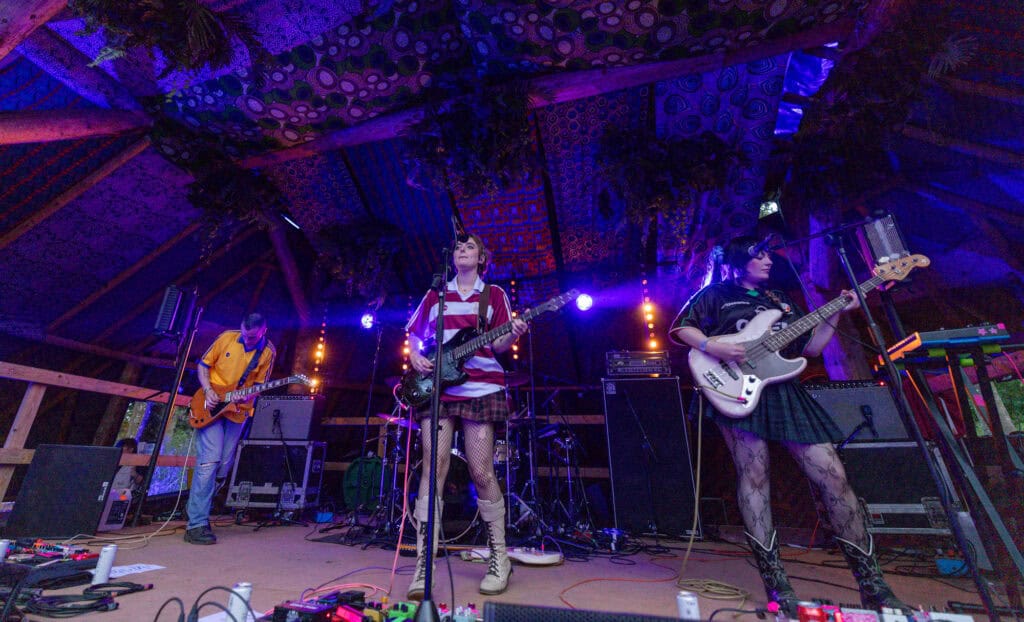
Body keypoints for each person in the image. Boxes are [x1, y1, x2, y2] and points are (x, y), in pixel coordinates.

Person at [668, 236, 907, 613]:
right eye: (759, 255)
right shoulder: (716, 294)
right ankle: (777, 583)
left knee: (833, 475)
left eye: (768, 255)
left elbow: (811, 349)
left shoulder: (779, 299)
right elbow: (683, 329)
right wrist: (713, 346)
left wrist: (835, 313)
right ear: (739, 260)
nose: (767, 261)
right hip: (738, 390)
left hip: (783, 390)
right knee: (754, 475)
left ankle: (872, 583)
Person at [404, 233, 528, 599]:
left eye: (470, 246)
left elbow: (500, 343)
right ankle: (424, 563)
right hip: (439, 389)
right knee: (434, 467)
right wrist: (415, 354)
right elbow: (414, 332)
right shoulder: (436, 294)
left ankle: (499, 557)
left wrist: (514, 334)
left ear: (482, 257)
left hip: (480, 389)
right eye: (458, 246)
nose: (462, 250)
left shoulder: (494, 295)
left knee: (482, 471)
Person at [185, 312, 275, 545]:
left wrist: (246, 396)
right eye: (245, 335)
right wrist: (208, 390)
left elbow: (259, 385)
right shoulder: (227, 337)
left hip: (237, 410)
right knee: (209, 460)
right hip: (210, 404)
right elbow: (203, 365)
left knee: (223, 465)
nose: (247, 339)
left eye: (252, 337)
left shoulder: (267, 352)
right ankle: (196, 523)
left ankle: (199, 507)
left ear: (263, 331)